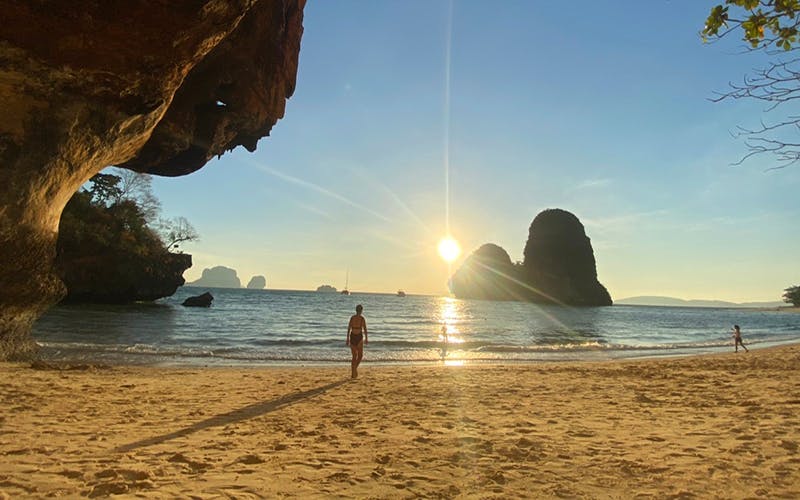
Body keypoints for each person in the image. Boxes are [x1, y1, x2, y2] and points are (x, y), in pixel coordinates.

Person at [346, 304, 368, 378]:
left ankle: (354, 370)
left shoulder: (354, 318)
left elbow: (349, 329)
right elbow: (365, 329)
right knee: (359, 356)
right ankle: (354, 370)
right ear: (361, 310)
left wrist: (347, 339)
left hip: (354, 336)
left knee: (355, 356)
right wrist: (367, 338)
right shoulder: (361, 318)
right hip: (357, 336)